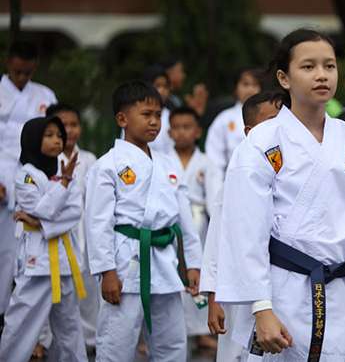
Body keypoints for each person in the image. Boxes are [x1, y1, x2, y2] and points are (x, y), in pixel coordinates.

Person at [214, 28, 345, 361]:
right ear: (284, 78)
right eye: (308, 67)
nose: (322, 75)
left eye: (329, 66)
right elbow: (246, 230)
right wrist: (261, 308)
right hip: (285, 294)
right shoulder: (261, 142)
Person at [84, 81, 203, 361]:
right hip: (126, 262)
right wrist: (106, 271)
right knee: (117, 340)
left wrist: (193, 263)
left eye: (158, 115)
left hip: (165, 260)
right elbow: (98, 223)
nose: (154, 122)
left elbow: (184, 218)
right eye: (146, 114)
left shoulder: (168, 163)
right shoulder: (108, 165)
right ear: (122, 119)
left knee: (172, 342)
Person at [202, 90, 281, 362]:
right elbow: (216, 241)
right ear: (249, 131)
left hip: (288, 283)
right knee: (239, 352)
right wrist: (213, 298)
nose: (279, 129)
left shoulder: (297, 172)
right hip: (241, 287)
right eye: (270, 121)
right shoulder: (238, 177)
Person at [0, 116, 87, 361]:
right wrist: (63, 186)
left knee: (70, 325)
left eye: (59, 135)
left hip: (65, 257)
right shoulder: (25, 175)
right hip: (36, 259)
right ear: (33, 139)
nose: (57, 140)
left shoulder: (64, 167)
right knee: (22, 319)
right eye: (49, 135)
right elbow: (45, 209)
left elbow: (74, 211)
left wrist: (40, 222)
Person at [0, 41, 57, 323]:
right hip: (1, 172)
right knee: (2, 250)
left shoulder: (44, 94)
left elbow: (53, 136)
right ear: (8, 62)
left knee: (24, 249)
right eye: (18, 71)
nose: (23, 78)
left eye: (28, 72)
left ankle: (19, 313)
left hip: (33, 172)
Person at [167, 106, 223, 350]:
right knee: (168, 274)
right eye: (176, 127)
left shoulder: (206, 162)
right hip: (169, 224)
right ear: (169, 132)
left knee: (197, 272)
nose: (181, 133)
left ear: (198, 131)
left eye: (187, 127)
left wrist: (216, 225)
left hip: (199, 223)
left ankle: (201, 330)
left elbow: (213, 198)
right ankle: (165, 330)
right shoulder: (161, 160)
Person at [46, 102, 99, 352]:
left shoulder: (88, 158)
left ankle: (90, 338)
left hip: (85, 232)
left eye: (74, 124)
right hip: (55, 233)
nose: (69, 130)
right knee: (53, 289)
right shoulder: (45, 161)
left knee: (88, 287)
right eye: (62, 125)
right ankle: (46, 338)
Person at [204, 66, 262, 176]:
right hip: (231, 179)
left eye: (255, 84)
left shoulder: (269, 117)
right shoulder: (224, 119)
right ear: (235, 87)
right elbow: (214, 158)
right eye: (245, 84)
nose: (250, 89)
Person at [142, 65, 175, 153]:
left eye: (165, 86)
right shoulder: (134, 114)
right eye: (157, 85)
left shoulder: (171, 116)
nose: (162, 91)